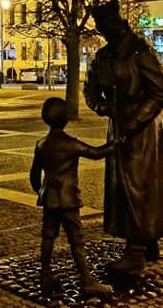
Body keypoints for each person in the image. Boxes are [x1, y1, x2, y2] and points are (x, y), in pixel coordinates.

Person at [83, 0, 163, 274]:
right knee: (123, 187)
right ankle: (147, 244)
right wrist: (102, 106)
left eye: (105, 25)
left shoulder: (139, 52)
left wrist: (135, 121)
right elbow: (90, 89)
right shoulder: (103, 56)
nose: (103, 31)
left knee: (139, 186)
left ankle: (136, 253)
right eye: (100, 27)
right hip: (118, 125)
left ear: (118, 23)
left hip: (143, 129)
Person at [29, 97, 115, 297]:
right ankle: (86, 279)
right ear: (66, 118)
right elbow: (96, 153)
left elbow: (34, 175)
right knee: (76, 239)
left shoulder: (41, 144)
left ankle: (45, 275)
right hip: (68, 200)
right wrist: (116, 145)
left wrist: (42, 191)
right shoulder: (71, 144)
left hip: (50, 198)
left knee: (48, 237)